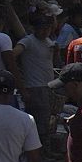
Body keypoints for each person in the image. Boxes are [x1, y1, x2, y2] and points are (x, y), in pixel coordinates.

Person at [18, 12, 60, 142]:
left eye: (48, 28)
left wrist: (56, 52)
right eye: (42, 29)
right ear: (35, 29)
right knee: (38, 121)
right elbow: (13, 54)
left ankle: (44, 148)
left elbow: (54, 62)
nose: (45, 32)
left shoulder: (48, 42)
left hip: (47, 85)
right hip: (34, 86)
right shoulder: (28, 41)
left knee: (47, 120)